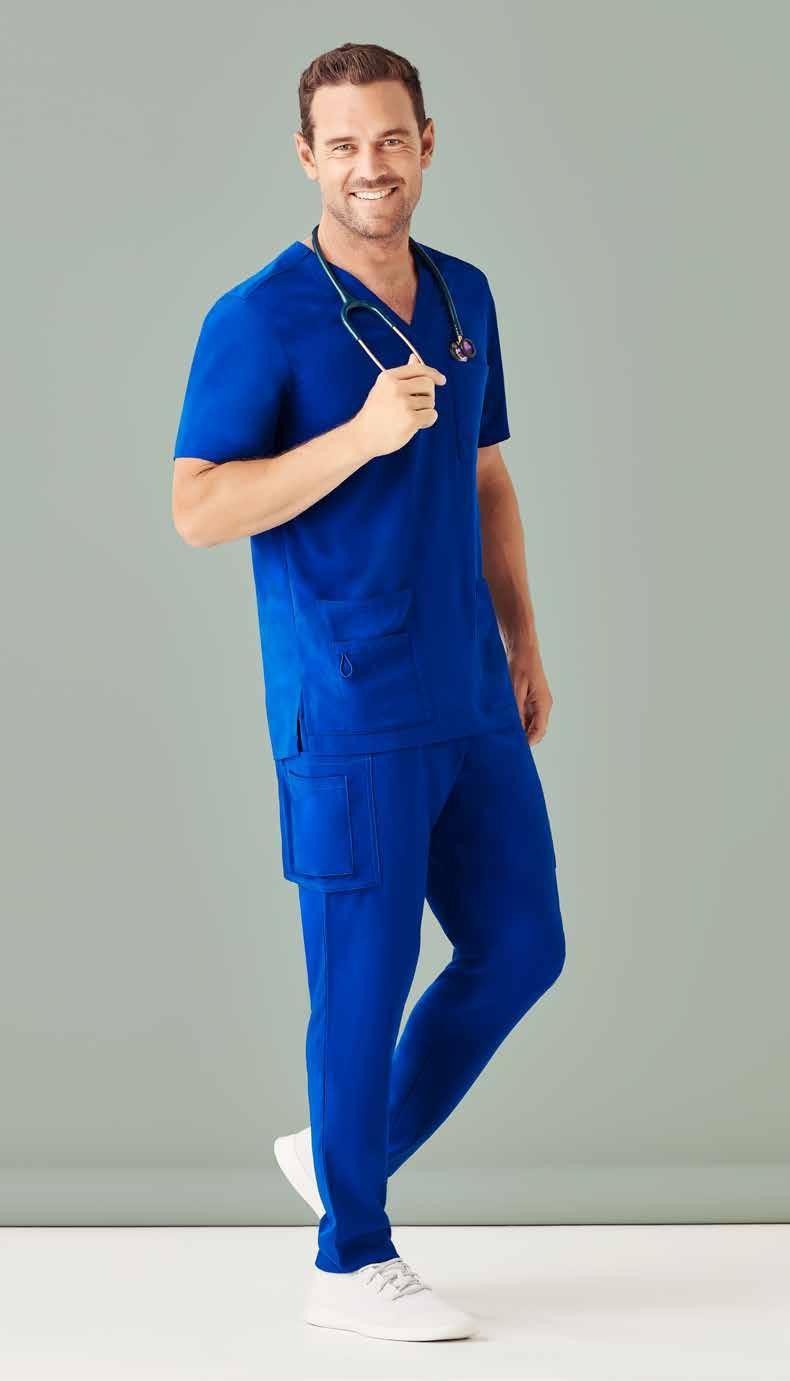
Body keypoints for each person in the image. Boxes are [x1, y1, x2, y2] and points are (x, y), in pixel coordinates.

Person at [171, 40, 566, 1344]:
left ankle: (348, 1146)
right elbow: (198, 506)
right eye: (341, 145)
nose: (369, 165)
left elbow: (486, 476)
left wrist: (521, 640)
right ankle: (349, 1257)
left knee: (520, 946)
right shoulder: (259, 318)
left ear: (426, 144)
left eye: (390, 139)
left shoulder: (464, 295)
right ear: (307, 158)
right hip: (349, 707)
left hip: (467, 690)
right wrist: (356, 435)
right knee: (364, 980)